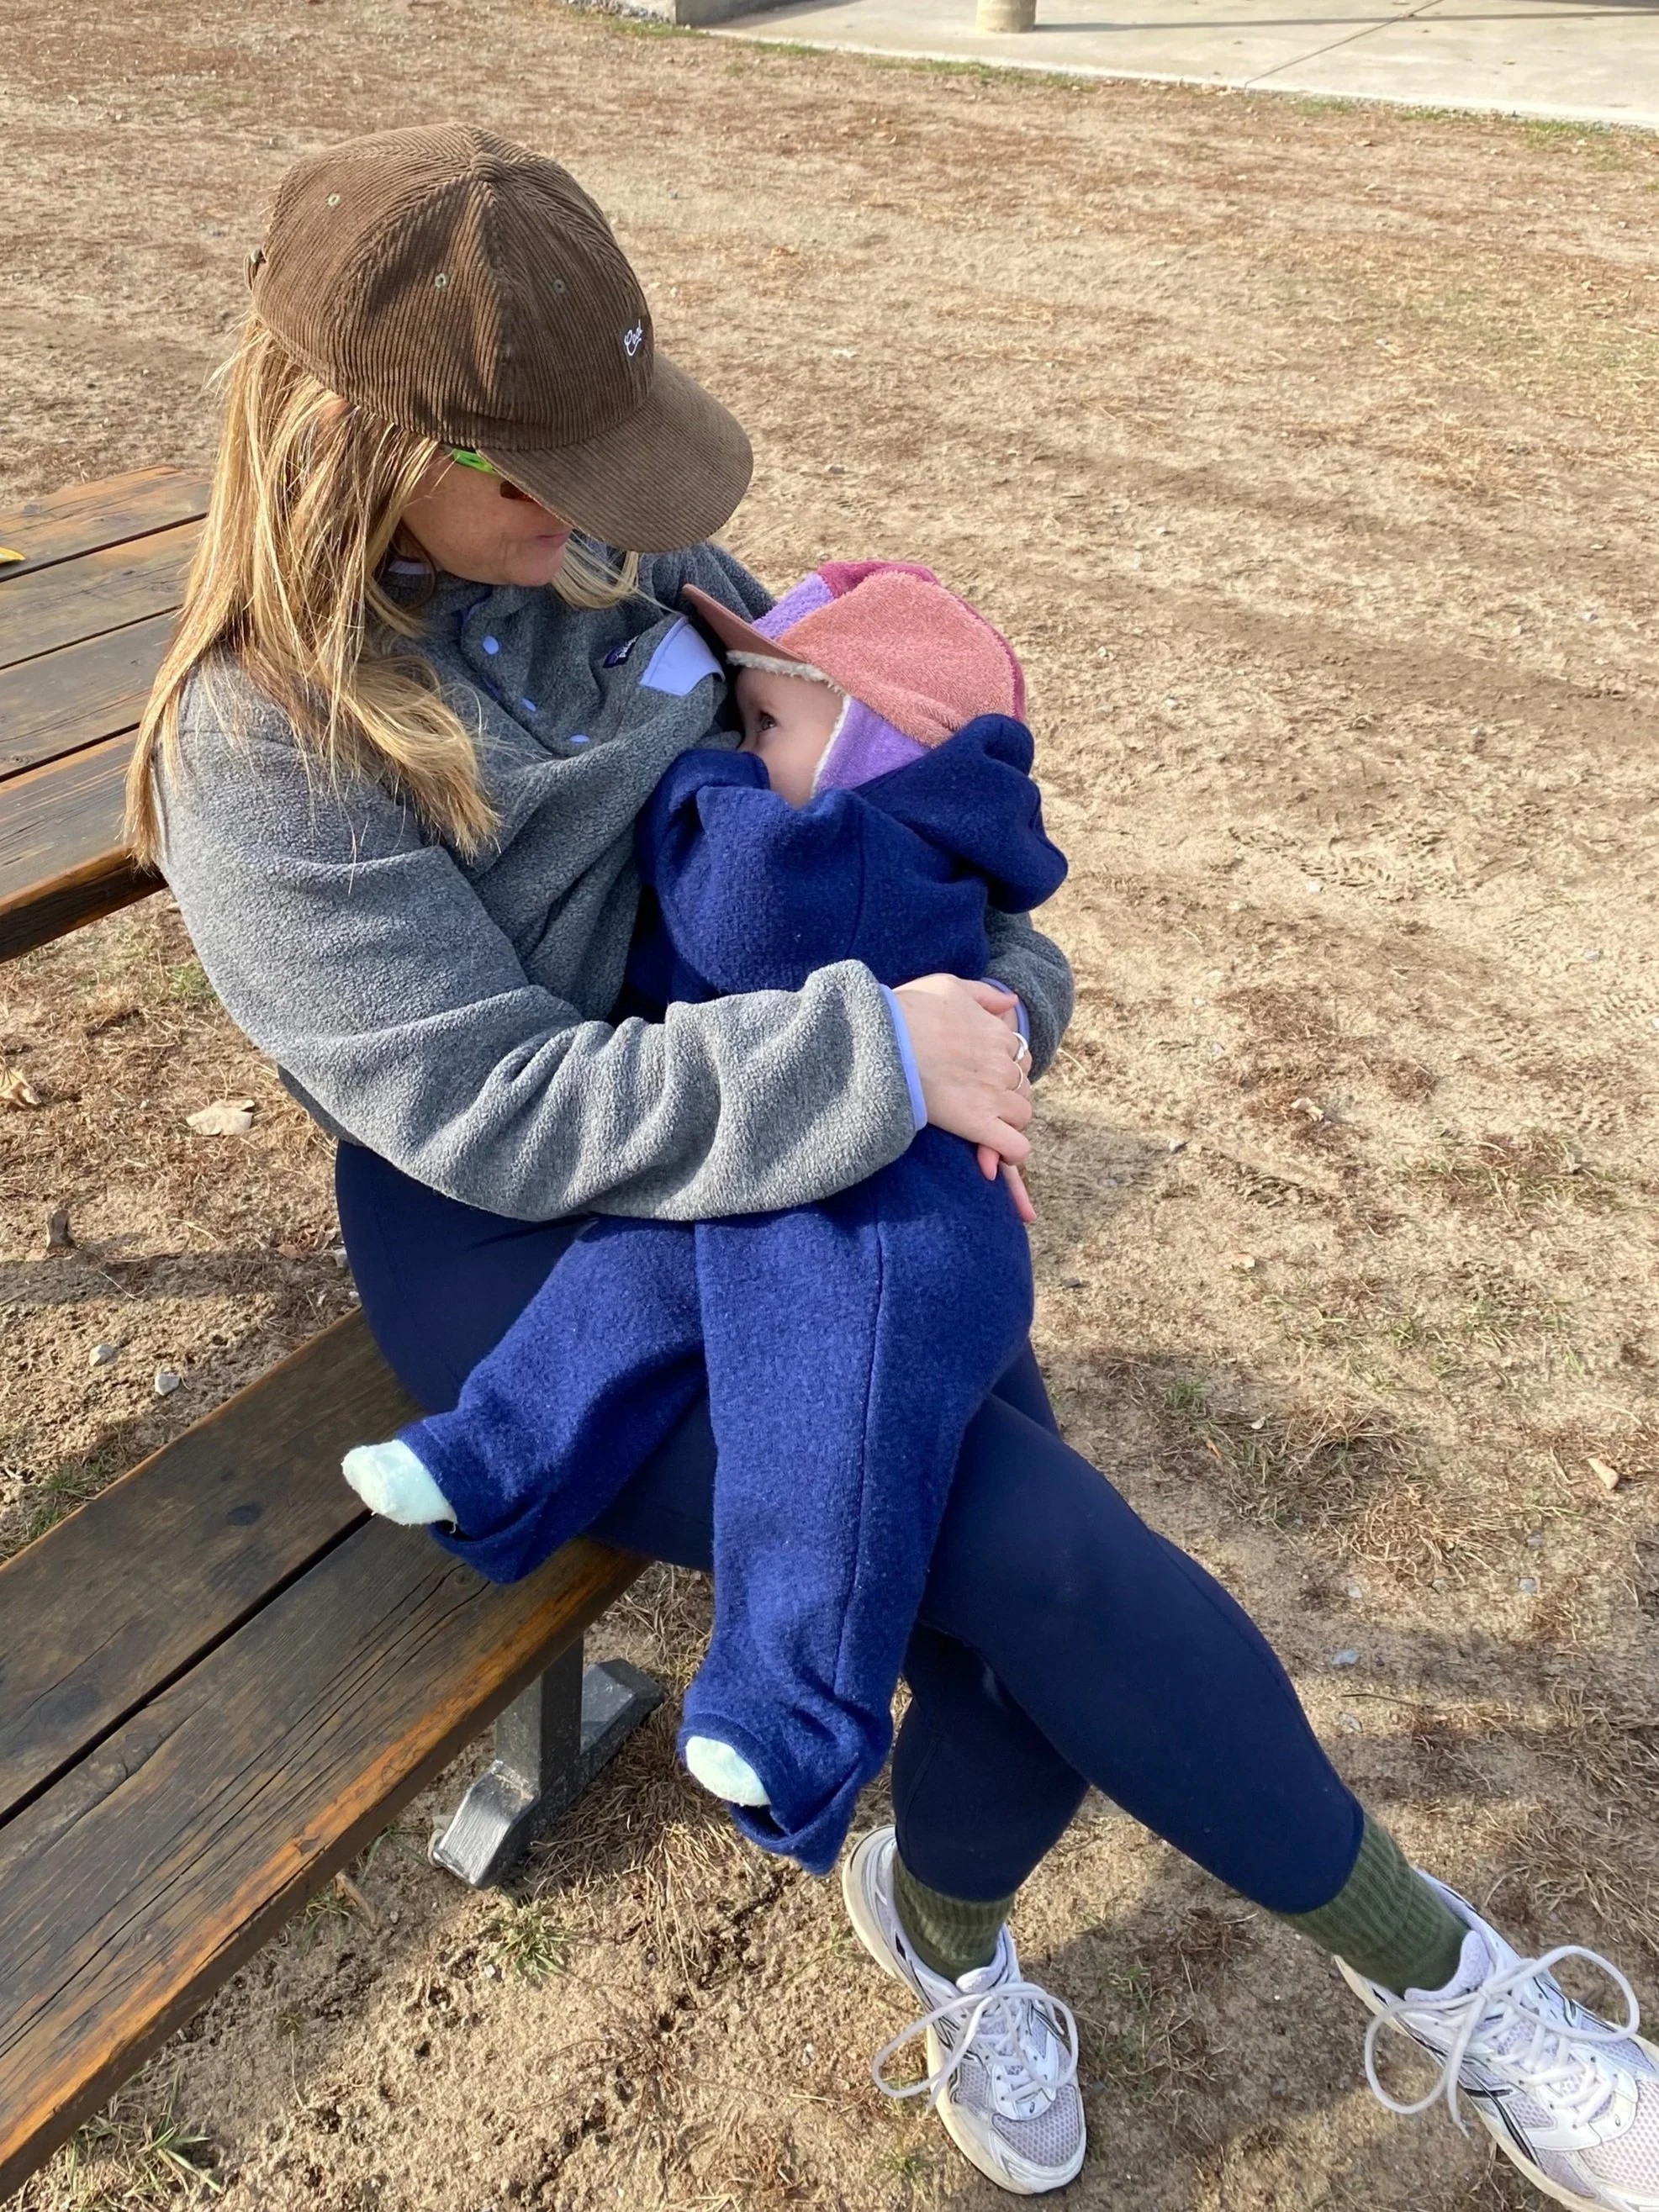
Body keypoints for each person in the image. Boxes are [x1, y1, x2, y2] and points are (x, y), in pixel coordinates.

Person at [130, 123, 1659, 2207]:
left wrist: (994, 1011)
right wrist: (871, 1054)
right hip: (529, 1245)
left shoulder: (636, 570)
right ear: (361, 444)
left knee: (1024, 1620)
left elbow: (899, 837)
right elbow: (488, 1113)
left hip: (823, 1157)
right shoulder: (263, 750)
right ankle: (1464, 2000)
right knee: (1037, 1561)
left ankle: (938, 1933)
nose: (611, 521)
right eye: (547, 470)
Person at [339, 559, 1069, 1880]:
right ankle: (493, 1463)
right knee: (618, 1287)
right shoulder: (894, 822)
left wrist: (700, 781)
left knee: (824, 1453)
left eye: (768, 727)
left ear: (861, 753)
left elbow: (728, 901)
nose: (737, 741)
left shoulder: (849, 848)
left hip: (882, 1242)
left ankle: (794, 1718)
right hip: (791, 1161)